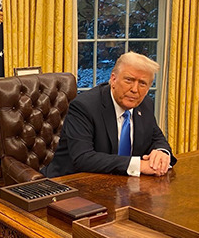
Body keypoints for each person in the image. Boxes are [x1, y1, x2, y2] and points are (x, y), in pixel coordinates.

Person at [43, 51, 176, 178]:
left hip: (122, 184)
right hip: (71, 183)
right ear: (113, 79)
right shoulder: (85, 107)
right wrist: (138, 165)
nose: (135, 90)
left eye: (142, 83)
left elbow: (156, 137)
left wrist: (161, 152)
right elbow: (83, 158)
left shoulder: (145, 104)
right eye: (129, 80)